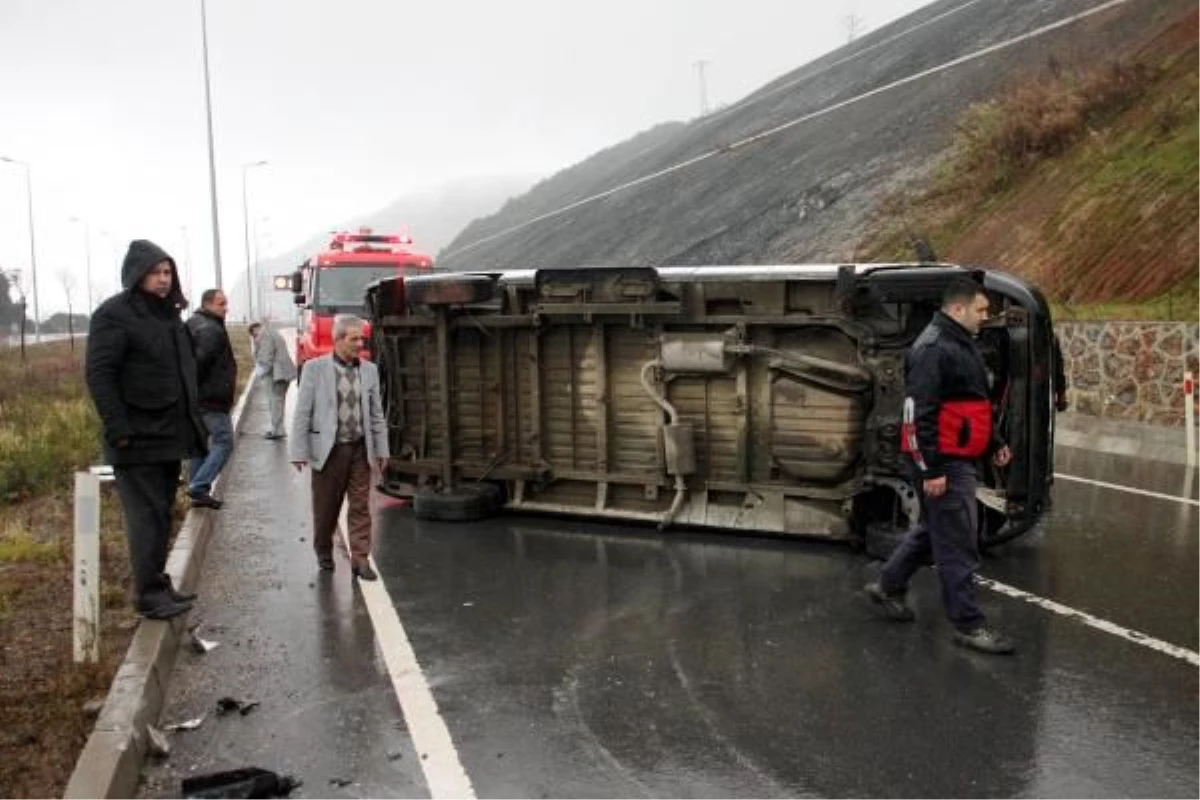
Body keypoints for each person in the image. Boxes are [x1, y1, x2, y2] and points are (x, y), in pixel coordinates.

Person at [864, 276, 1016, 655]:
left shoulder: (960, 343)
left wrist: (994, 442)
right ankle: (969, 624)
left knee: (935, 529)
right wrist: (932, 470)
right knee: (958, 541)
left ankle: (888, 585)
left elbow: (972, 400)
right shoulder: (935, 348)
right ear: (958, 309)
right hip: (944, 462)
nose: (986, 317)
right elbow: (918, 416)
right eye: (981, 310)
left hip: (956, 457)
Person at [85, 240, 207, 620]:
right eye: (155, 272)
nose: (163, 279)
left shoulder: (168, 316)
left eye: (167, 272)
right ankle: (148, 595)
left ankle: (157, 583)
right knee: (145, 518)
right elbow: (100, 375)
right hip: (136, 440)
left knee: (161, 514)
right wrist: (119, 429)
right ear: (136, 274)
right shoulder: (114, 315)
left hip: (169, 437)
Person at [288, 315, 389, 580]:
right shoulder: (314, 369)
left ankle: (360, 559)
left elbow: (377, 414)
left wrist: (381, 449)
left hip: (359, 450)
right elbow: (302, 413)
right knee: (326, 509)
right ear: (338, 339)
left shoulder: (369, 370)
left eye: (361, 338)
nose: (360, 343)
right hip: (329, 451)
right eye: (354, 338)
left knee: (360, 507)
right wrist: (298, 451)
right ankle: (323, 548)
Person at [186, 289, 236, 509]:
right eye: (221, 304)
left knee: (199, 444)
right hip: (211, 399)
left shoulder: (194, 322)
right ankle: (199, 485)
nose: (225, 308)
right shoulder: (211, 329)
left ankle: (197, 490)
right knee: (224, 441)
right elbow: (198, 364)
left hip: (197, 399)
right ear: (207, 304)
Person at [248, 321, 297, 438]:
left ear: (255, 329)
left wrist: (260, 372)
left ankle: (276, 430)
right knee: (279, 402)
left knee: (274, 402)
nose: (255, 338)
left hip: (275, 374)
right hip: (283, 372)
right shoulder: (273, 332)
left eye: (254, 335)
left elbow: (266, 358)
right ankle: (279, 429)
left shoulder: (264, 335)